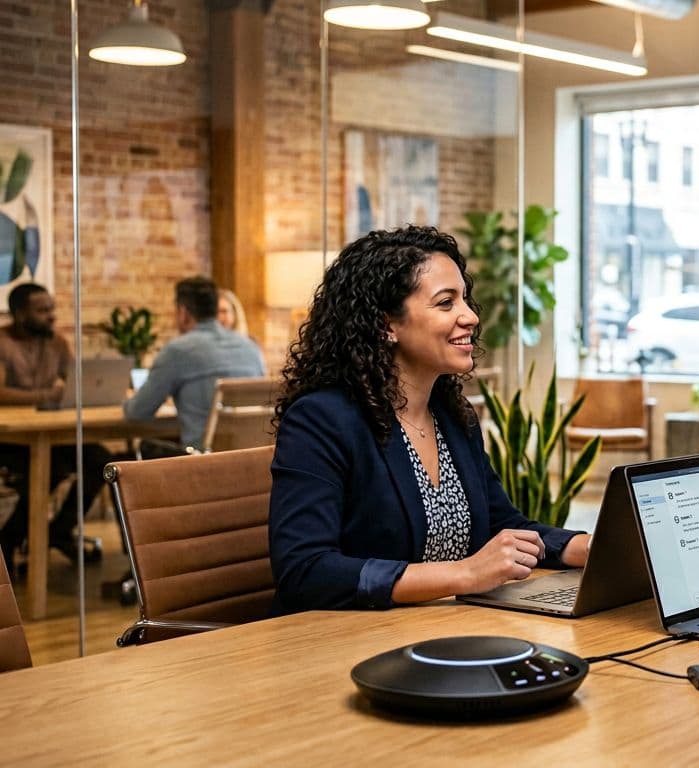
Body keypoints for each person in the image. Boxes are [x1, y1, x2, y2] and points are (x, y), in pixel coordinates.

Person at [268, 226, 590, 614]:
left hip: (443, 632)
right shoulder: (322, 420)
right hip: (347, 644)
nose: (470, 316)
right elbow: (306, 571)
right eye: (445, 303)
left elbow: (501, 524)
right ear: (387, 325)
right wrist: (464, 575)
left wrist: (586, 548)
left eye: (465, 299)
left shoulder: (452, 417)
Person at [0, 283, 109, 572]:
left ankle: (59, 530)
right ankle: (9, 539)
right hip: (10, 438)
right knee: (46, 469)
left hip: (50, 434)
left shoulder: (57, 342)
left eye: (52, 309)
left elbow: (75, 384)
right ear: (20, 314)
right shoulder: (2, 341)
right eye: (42, 310)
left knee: (101, 461)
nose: (51, 316)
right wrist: (48, 395)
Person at [123, 276, 266, 453]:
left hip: (201, 464)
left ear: (183, 312)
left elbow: (137, 412)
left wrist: (126, 399)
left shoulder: (177, 351)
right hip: (250, 458)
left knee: (136, 452)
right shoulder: (251, 348)